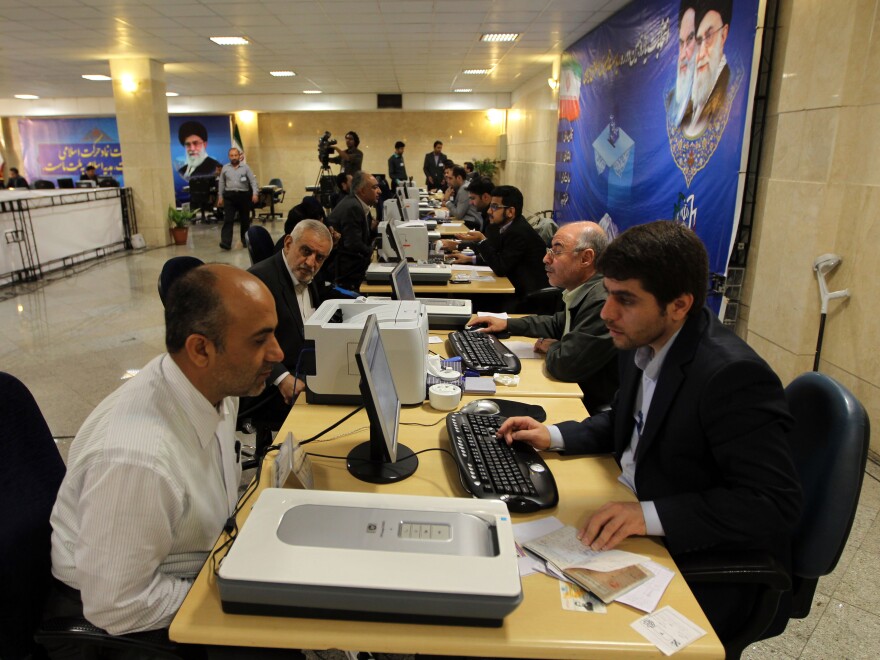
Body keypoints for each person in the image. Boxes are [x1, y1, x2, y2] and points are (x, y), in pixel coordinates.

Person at [496, 221, 802, 643]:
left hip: (698, 559)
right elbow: (623, 419)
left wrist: (648, 515)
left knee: (534, 624)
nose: (606, 314)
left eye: (625, 300)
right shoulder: (645, 339)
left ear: (678, 305)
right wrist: (554, 435)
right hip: (630, 506)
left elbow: (772, 504)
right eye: (608, 295)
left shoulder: (732, 377)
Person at [47, 264, 284, 639]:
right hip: (135, 615)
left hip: (198, 559)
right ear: (201, 349)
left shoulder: (212, 387)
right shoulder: (138, 460)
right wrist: (240, 593)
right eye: (259, 340)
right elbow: (117, 606)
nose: (277, 352)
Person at [468, 222, 618, 413]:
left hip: (587, 404)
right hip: (576, 390)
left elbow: (565, 365)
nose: (546, 259)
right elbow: (558, 323)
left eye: (557, 251)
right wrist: (507, 323)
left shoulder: (602, 301)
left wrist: (553, 346)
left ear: (586, 258)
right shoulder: (587, 290)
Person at [246, 220, 333, 426]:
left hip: (305, 368)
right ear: (287, 244)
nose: (311, 262)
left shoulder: (309, 275)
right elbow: (247, 342)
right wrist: (281, 377)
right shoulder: (258, 281)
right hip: (270, 385)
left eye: (319, 258)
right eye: (306, 251)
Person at [448, 185, 549, 309]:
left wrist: (481, 240)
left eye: (495, 207)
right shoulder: (507, 227)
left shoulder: (518, 232)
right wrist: (470, 259)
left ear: (510, 212)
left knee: (472, 299)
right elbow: (497, 255)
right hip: (513, 285)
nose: (489, 211)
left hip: (526, 297)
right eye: (491, 205)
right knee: (468, 295)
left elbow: (500, 267)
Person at [326, 171, 381, 291]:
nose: (379, 191)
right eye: (375, 187)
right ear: (362, 191)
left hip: (347, 262)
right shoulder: (353, 207)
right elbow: (353, 244)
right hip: (344, 269)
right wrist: (373, 253)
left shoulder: (359, 204)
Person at [683, 0, 731, 137]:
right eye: (699, 42)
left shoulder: (731, 86)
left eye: (709, 37)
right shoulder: (691, 97)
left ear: (723, 35)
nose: (701, 53)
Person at [217, 147, 258, 250]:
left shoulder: (245, 168)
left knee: (244, 220)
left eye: (236, 155)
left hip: (243, 196)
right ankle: (226, 242)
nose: (234, 157)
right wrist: (220, 196)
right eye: (232, 155)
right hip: (229, 196)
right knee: (228, 219)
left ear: (239, 156)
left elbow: (253, 181)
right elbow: (221, 183)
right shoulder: (225, 168)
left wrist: (255, 194)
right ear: (229, 157)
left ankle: (245, 241)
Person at [667, 2, 697, 128]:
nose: (683, 55)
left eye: (690, 40)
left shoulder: (710, 100)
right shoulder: (671, 98)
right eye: (680, 43)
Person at [441, 164, 483, 229]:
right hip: (466, 220)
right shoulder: (461, 187)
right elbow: (456, 209)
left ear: (459, 178)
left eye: (450, 178)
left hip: (471, 223)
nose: (448, 181)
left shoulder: (464, 189)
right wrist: (450, 199)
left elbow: (458, 214)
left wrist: (447, 201)